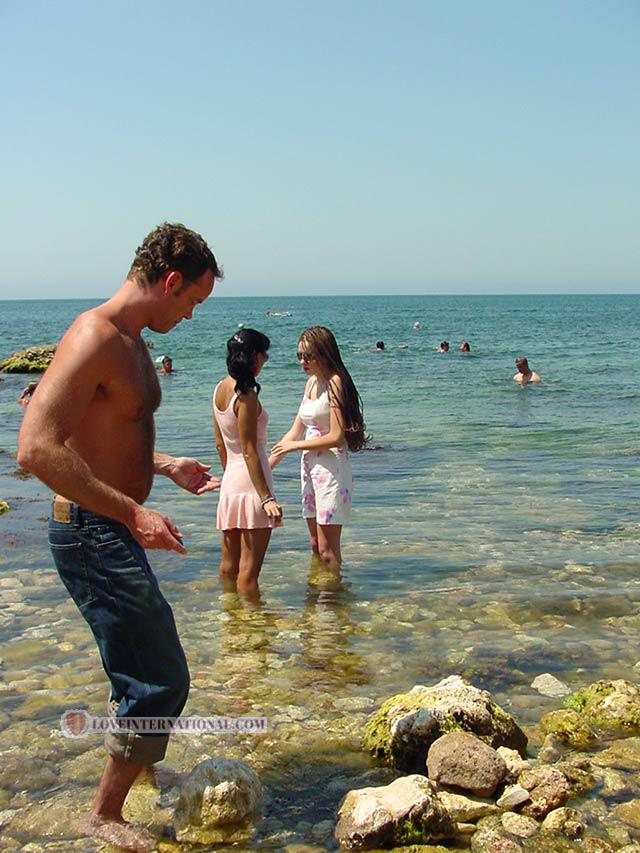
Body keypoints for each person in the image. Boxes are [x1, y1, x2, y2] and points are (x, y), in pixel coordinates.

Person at [17, 222, 223, 852]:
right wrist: (134, 513)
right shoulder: (95, 336)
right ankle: (103, 815)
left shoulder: (130, 342)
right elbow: (36, 448)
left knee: (136, 662)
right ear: (170, 281)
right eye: (192, 301)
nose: (190, 316)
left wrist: (164, 466)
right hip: (89, 531)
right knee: (161, 675)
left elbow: (101, 436)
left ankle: (143, 773)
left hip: (107, 527)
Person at [271, 326, 368, 569]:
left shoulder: (335, 383)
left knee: (327, 550)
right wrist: (264, 466)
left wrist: (295, 446)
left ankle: (334, 591)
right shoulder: (311, 383)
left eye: (308, 356)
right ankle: (317, 589)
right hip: (310, 468)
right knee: (315, 544)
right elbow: (294, 431)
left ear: (324, 355)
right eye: (299, 356)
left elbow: (336, 436)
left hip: (331, 470)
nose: (302, 362)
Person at [213, 329, 282, 601]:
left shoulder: (219, 389)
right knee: (249, 574)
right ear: (254, 356)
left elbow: (221, 445)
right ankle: (253, 623)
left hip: (231, 482)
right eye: (264, 354)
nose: (265, 360)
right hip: (253, 485)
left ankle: (231, 617)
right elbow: (250, 451)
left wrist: (231, 475)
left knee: (229, 568)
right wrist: (266, 498)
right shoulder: (246, 395)